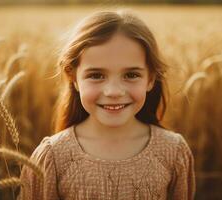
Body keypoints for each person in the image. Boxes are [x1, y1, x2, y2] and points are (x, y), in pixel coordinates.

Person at [19, 9, 195, 200]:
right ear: (73, 78)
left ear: (150, 79)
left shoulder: (173, 151)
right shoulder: (53, 157)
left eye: (131, 75)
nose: (113, 92)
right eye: (96, 75)